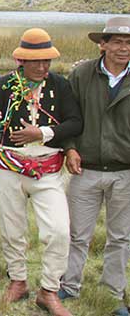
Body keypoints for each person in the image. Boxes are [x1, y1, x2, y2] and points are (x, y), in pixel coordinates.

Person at [0, 28, 82, 316]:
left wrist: (42, 133)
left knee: (58, 230)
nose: (42, 66)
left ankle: (49, 289)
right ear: (22, 60)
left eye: (46, 60)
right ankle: (18, 281)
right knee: (13, 229)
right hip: (10, 167)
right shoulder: (5, 85)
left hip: (48, 169)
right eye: (36, 61)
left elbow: (75, 123)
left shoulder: (60, 85)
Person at [59, 16, 130, 315]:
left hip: (125, 171)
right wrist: (70, 148)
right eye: (117, 42)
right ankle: (68, 285)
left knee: (120, 237)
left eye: (129, 43)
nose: (124, 48)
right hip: (85, 169)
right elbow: (68, 117)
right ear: (103, 44)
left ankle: (112, 294)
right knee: (77, 234)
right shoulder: (82, 74)